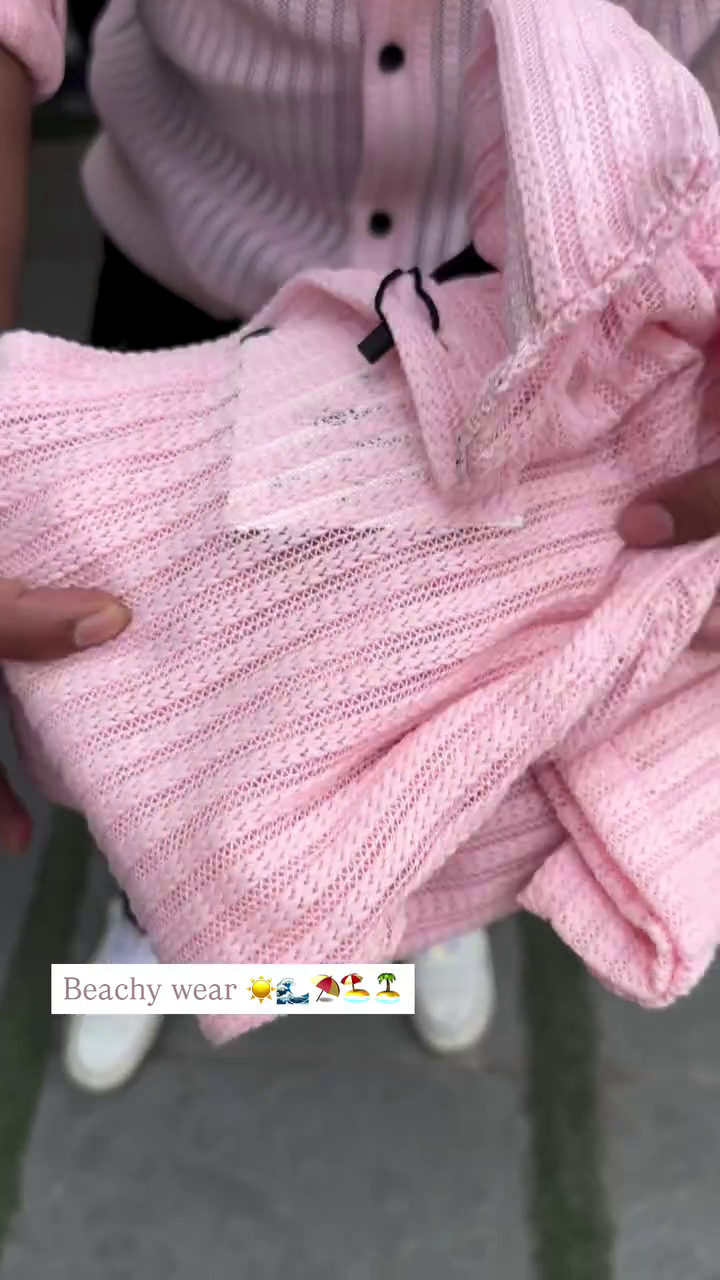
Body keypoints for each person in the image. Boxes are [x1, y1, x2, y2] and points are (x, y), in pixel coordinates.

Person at [0, 0, 719, 1092]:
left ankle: (406, 910)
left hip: (535, 346)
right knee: (144, 693)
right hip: (195, 290)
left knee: (428, 734)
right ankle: (158, 909)